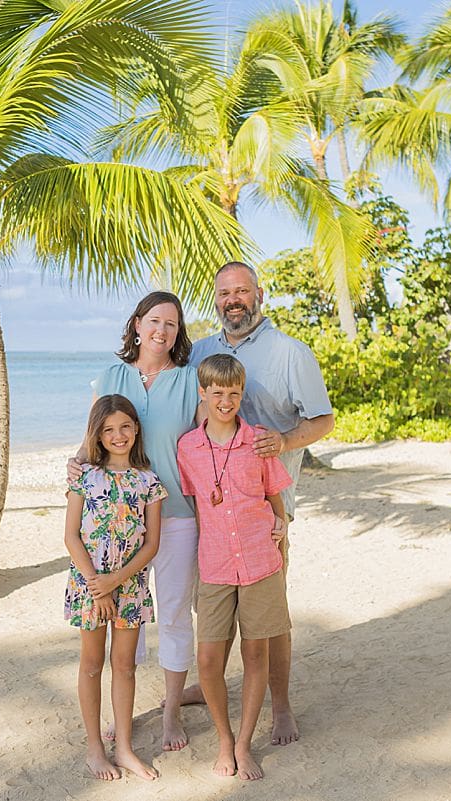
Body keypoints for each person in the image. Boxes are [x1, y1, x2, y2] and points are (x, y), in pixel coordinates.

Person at [189, 261, 335, 746]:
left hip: (268, 508)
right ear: (216, 299)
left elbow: (323, 420)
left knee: (269, 615)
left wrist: (284, 441)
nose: (233, 300)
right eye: (224, 293)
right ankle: (210, 681)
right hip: (212, 511)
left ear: (259, 295)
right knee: (216, 604)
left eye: (242, 291)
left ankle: (282, 705)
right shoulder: (200, 352)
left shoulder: (290, 353)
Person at [68, 291, 201, 752]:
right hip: (118, 522)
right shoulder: (111, 376)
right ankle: (121, 715)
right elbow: (93, 438)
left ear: (178, 333)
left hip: (177, 514)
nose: (162, 330)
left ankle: (170, 713)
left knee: (174, 613)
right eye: (154, 320)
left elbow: (208, 440)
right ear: (138, 324)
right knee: (130, 621)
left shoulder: (189, 380)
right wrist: (76, 464)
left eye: (171, 324)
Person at [177, 354, 292, 781]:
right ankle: (224, 739)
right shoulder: (187, 448)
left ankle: (243, 744)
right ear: (203, 394)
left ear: (241, 395)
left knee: (256, 651)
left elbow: (274, 497)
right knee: (208, 659)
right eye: (217, 393)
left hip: (261, 560)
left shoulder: (258, 441)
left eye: (234, 393)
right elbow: (197, 505)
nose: (226, 401)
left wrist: (280, 525)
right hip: (216, 564)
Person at [64, 394, 164, 781]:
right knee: (92, 665)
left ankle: (123, 748)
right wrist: (100, 586)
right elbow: (71, 536)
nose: (118, 435)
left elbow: (151, 544)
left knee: (124, 666)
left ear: (136, 429)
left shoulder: (148, 481)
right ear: (97, 435)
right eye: (108, 429)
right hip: (90, 585)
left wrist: (116, 581)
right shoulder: (85, 477)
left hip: (131, 585)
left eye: (124, 426)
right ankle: (95, 748)